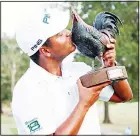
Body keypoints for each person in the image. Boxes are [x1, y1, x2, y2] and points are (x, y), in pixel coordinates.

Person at [12, 6, 133, 135]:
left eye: (65, 29)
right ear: (45, 50)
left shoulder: (79, 70)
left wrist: (110, 66)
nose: (69, 33)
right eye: (60, 34)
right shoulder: (26, 90)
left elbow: (123, 96)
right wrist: (84, 103)